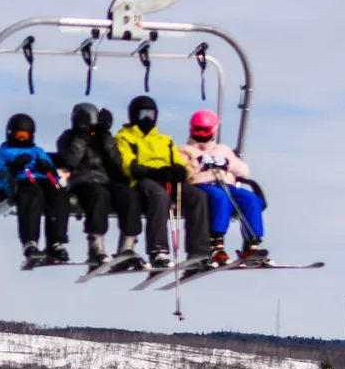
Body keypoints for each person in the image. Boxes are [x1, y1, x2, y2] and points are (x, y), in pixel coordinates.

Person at [111, 94, 193, 268]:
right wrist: (155, 173)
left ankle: (199, 249)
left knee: (198, 196)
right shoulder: (125, 137)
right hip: (142, 181)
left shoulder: (165, 140)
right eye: (143, 115)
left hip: (166, 179)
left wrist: (178, 172)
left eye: (150, 114)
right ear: (133, 116)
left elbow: (178, 163)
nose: (147, 119)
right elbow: (129, 166)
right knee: (159, 195)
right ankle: (158, 250)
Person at [183, 109, 269, 266]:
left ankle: (252, 243)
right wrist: (198, 163)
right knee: (220, 198)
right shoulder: (184, 150)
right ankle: (216, 243)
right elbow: (184, 173)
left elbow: (244, 171)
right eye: (197, 130)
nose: (201, 134)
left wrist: (226, 163)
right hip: (202, 186)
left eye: (205, 130)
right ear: (191, 129)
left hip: (226, 185)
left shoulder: (223, 150)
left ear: (214, 130)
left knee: (250, 198)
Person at [0, 112, 67, 264]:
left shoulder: (38, 151)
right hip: (19, 183)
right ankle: (30, 242)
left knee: (58, 194)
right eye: (18, 135)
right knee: (32, 194)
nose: (22, 139)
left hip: (42, 181)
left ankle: (55, 242)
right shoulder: (3, 152)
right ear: (10, 134)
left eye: (25, 135)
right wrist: (14, 167)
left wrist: (48, 168)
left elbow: (54, 175)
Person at [54, 101, 129, 265]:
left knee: (126, 194)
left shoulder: (102, 138)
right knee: (99, 195)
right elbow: (70, 161)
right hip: (82, 182)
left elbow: (116, 161)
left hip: (105, 181)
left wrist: (105, 136)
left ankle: (127, 247)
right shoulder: (67, 138)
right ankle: (96, 246)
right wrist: (81, 137)